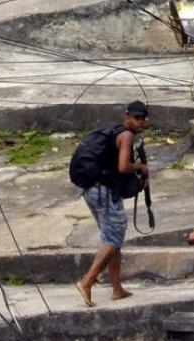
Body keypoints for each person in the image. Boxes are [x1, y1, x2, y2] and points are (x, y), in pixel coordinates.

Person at [75, 100, 149, 307]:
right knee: (114, 238)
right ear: (127, 117)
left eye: (143, 119)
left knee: (112, 237)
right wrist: (140, 167)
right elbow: (124, 167)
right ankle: (87, 281)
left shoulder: (112, 132)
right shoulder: (126, 136)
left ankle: (117, 289)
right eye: (136, 118)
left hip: (92, 189)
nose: (140, 122)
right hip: (104, 191)